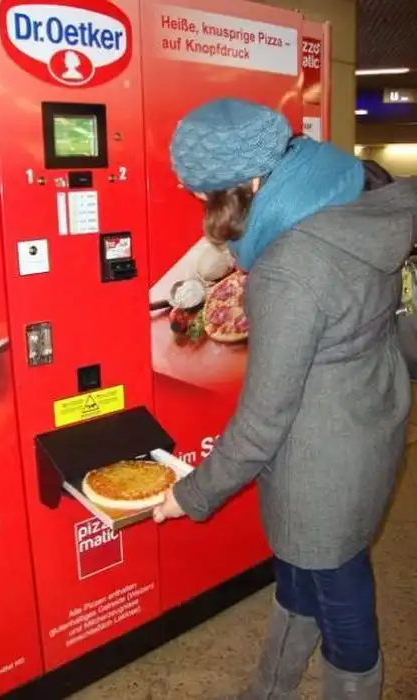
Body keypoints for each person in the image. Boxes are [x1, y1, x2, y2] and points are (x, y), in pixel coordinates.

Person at [152, 98, 417, 700]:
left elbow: (261, 421)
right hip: (367, 423)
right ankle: (270, 689)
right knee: (303, 576)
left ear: (249, 183)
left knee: (342, 604)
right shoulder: (349, 197)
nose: (200, 203)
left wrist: (189, 495)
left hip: (318, 463)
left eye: (204, 191)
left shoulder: (288, 267)